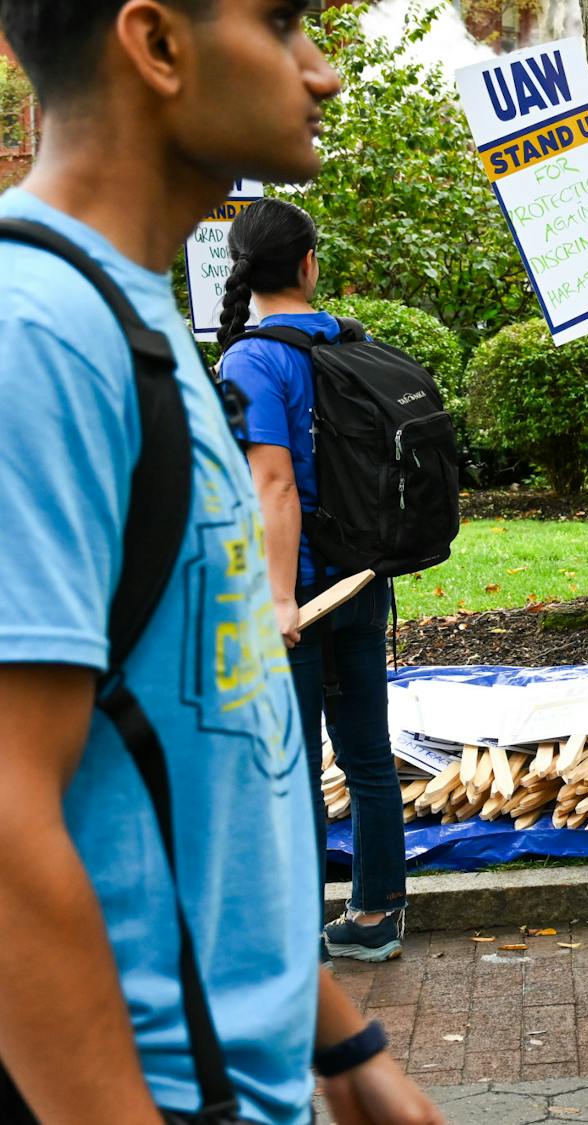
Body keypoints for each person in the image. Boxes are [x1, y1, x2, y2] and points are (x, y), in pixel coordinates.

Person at [0, 1, 441, 1121]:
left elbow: (212, 770)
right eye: (284, 21)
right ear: (156, 45)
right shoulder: (34, 338)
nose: (324, 71)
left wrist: (338, 1041)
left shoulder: (136, 321)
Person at [218, 198, 409, 963]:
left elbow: (274, 488)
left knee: (290, 763)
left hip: (293, 595)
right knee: (367, 755)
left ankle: (297, 932)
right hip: (361, 580)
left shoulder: (251, 358)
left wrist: (276, 598)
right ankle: (375, 917)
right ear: (308, 265)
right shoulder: (344, 338)